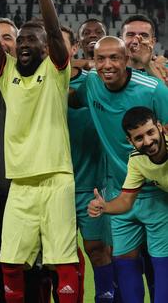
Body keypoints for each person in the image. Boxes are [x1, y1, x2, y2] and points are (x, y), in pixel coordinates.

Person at [0, 0, 79, 301]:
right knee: (10, 263)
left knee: (62, 262)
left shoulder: (56, 73)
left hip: (56, 180)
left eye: (30, 40)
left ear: (44, 47)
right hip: (19, 184)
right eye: (20, 40)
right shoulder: (6, 75)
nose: (23, 44)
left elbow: (55, 32)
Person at [69, 35, 168, 302]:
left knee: (161, 266)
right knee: (124, 263)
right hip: (120, 191)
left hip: (158, 193)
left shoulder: (153, 89)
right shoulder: (91, 85)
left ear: (127, 60)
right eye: (101, 59)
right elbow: (70, 98)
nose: (107, 65)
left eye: (115, 58)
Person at [87, 106, 168, 301]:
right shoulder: (137, 160)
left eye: (150, 132)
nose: (148, 141)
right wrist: (104, 206)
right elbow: (126, 200)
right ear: (130, 141)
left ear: (160, 127)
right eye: (139, 138)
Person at [67, 20, 115, 302]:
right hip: (53, 186)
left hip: (93, 185)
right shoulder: (39, 82)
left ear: (74, 47)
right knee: (56, 255)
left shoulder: (96, 82)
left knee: (98, 249)